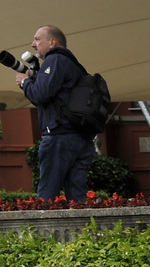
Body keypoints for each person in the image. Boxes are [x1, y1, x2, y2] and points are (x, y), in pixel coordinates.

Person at [14, 25, 95, 201]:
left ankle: (43, 229)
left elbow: (39, 94)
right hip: (81, 138)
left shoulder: (55, 59)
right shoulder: (75, 65)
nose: (33, 44)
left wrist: (25, 82)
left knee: (47, 195)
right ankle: (85, 229)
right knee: (78, 197)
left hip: (59, 137)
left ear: (52, 42)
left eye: (37, 39)